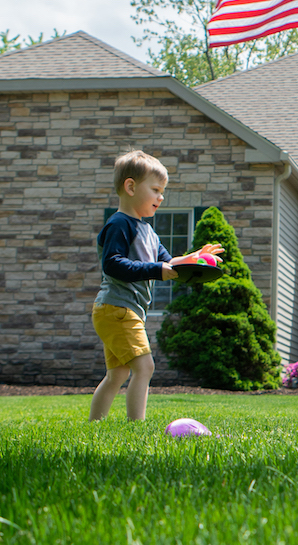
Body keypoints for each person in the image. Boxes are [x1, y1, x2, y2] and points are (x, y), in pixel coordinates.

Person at [89, 150, 224, 421]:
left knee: (118, 373)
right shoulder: (119, 225)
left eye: (163, 191)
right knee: (145, 366)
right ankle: (136, 425)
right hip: (117, 308)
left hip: (123, 310)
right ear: (130, 187)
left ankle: (95, 425)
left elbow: (167, 262)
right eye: (155, 190)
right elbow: (113, 264)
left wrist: (193, 259)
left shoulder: (148, 231)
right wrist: (157, 270)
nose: (161, 197)